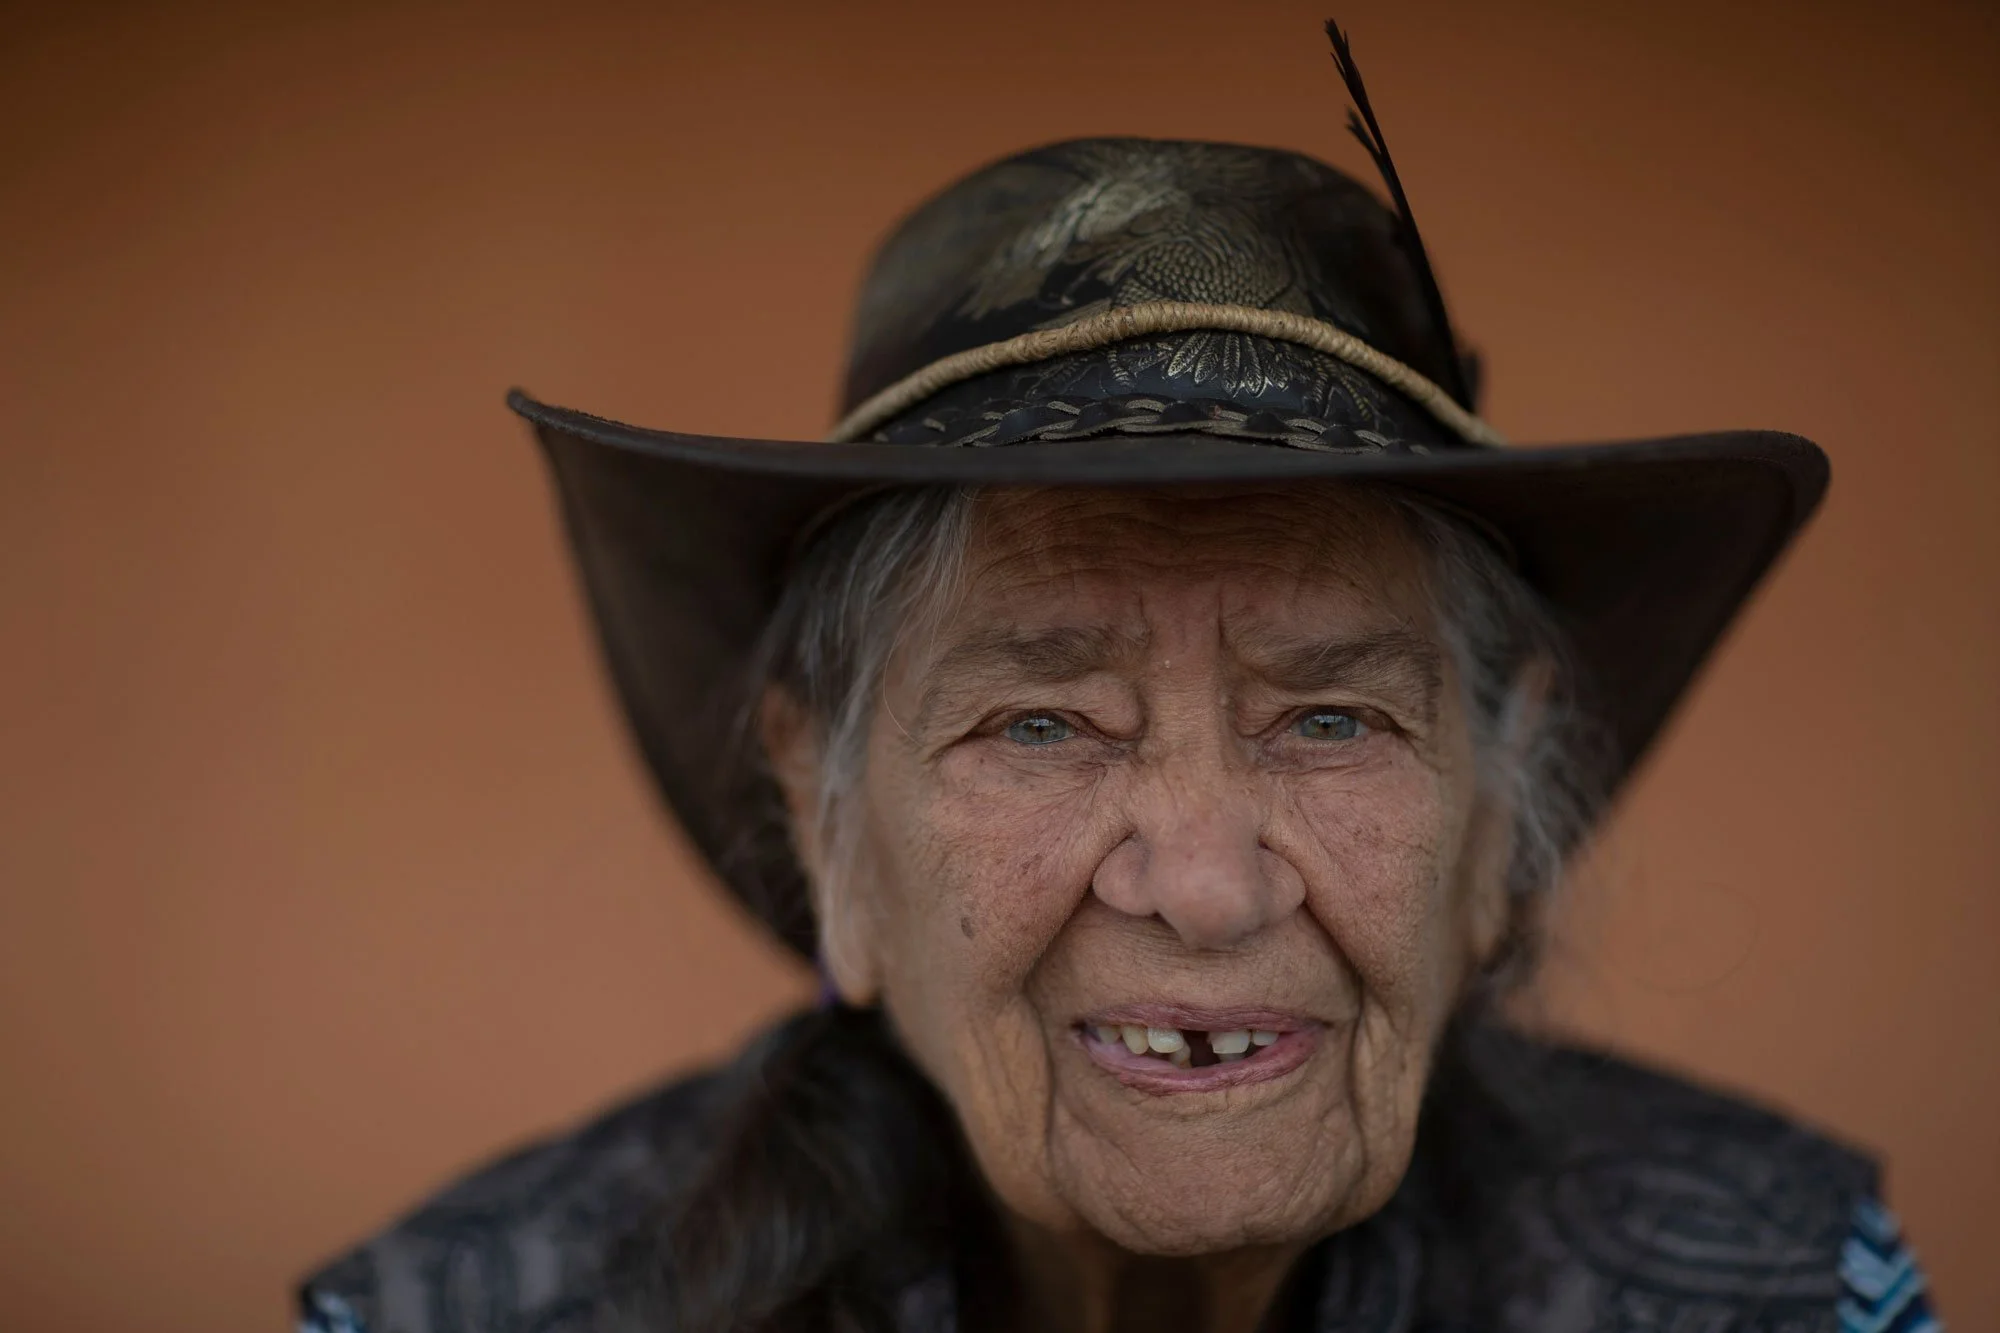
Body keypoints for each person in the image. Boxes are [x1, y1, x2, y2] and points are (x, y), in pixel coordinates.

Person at [298, 26, 1939, 1333]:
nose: (1207, 883)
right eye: (1040, 724)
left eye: (1330, 719)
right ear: (827, 829)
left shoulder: (1789, 1290)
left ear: (1498, 825)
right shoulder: (471, 1308)